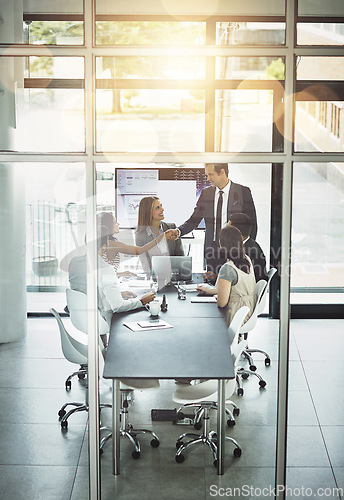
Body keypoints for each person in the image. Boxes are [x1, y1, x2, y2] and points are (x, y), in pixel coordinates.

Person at [68, 227, 156, 343]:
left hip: (80, 317)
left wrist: (117, 294)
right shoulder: (105, 268)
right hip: (101, 320)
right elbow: (118, 307)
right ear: (105, 245)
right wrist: (142, 301)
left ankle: (101, 348)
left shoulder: (74, 262)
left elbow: (88, 290)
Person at [168, 163, 257, 274]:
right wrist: (178, 231)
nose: (208, 178)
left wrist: (247, 249)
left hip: (235, 251)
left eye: (211, 174)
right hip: (213, 251)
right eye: (207, 175)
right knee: (212, 286)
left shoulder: (242, 192)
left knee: (232, 287)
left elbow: (252, 223)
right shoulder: (206, 194)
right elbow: (194, 220)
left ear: (222, 172)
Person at [197, 225, 257, 328]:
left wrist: (217, 296)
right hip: (247, 310)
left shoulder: (227, 268)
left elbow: (222, 303)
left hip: (235, 315)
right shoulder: (246, 259)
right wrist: (209, 291)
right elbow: (235, 290)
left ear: (222, 244)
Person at [204, 212, 267, 284]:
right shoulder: (248, 246)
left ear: (236, 232)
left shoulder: (248, 252)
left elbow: (239, 281)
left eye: (227, 227)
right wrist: (216, 277)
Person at [135, 196, 184, 276]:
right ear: (148, 212)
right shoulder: (140, 235)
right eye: (157, 208)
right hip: (154, 279)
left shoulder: (172, 228)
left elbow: (181, 260)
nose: (162, 209)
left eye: (161, 206)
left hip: (174, 278)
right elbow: (146, 265)